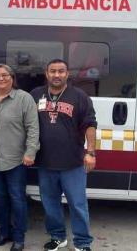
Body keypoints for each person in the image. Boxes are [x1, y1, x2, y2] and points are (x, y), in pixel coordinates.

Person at [30, 59, 97, 251]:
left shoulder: (79, 96)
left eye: (61, 71)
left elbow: (90, 124)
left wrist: (90, 152)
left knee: (77, 204)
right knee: (50, 205)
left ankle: (83, 243)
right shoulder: (36, 94)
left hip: (73, 163)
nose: (56, 75)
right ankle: (58, 237)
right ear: (46, 73)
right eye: (53, 71)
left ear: (67, 74)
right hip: (45, 162)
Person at [0, 64, 39, 251]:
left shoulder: (24, 99)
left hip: (16, 160)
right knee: (0, 199)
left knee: (17, 199)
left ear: (12, 77)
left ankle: (19, 237)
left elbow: (33, 128)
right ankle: (4, 232)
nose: (1, 79)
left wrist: (30, 152)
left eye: (4, 75)